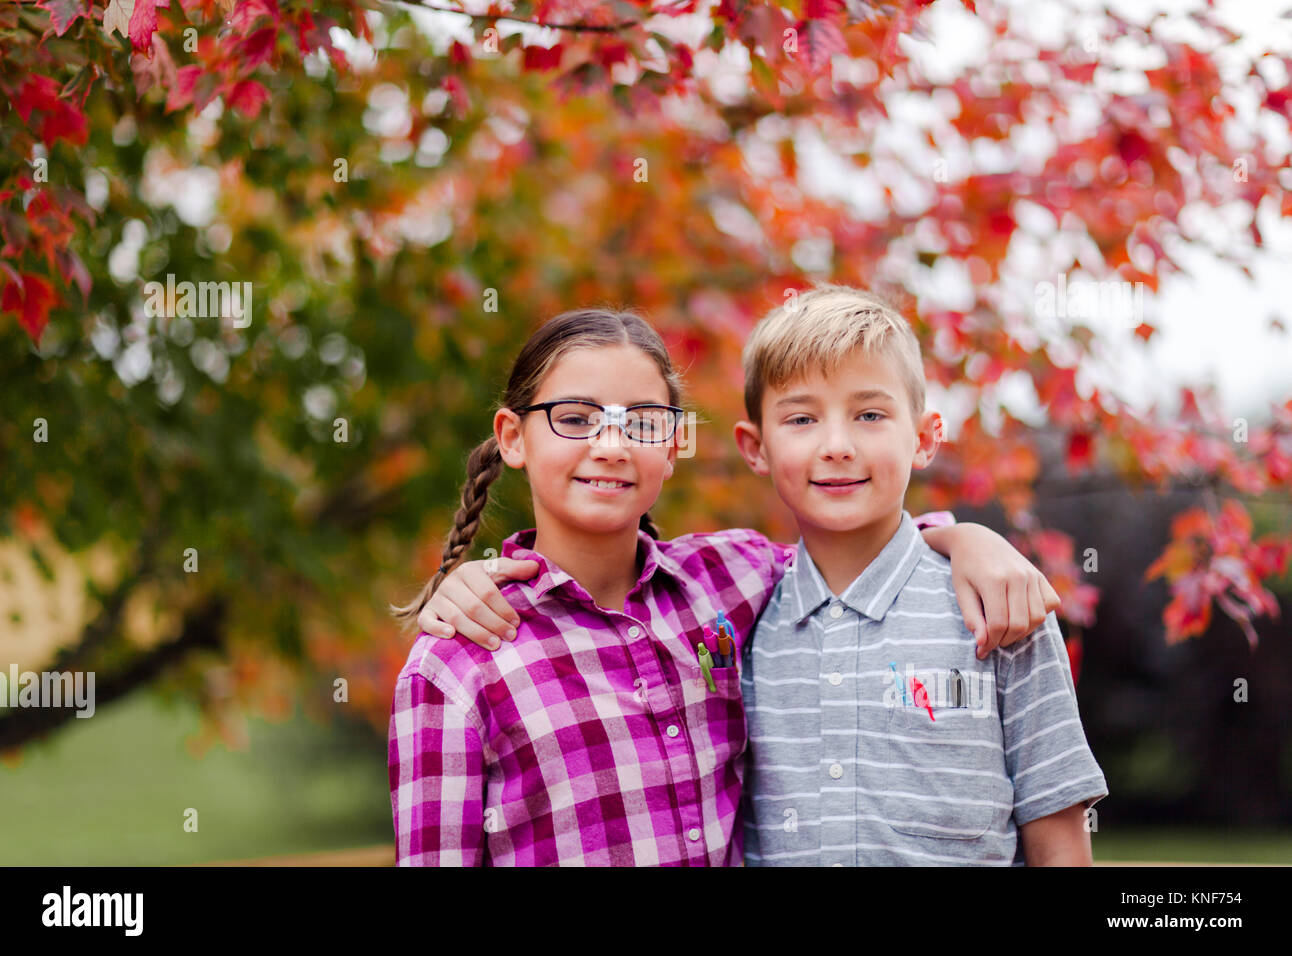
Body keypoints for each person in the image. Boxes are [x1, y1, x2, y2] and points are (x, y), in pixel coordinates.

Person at [394, 307, 1058, 866]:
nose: (611, 445)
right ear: (513, 437)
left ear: (675, 443)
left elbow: (856, 544)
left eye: (643, 422)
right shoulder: (460, 658)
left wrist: (966, 538)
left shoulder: (723, 583)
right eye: (575, 418)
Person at [731, 284, 1108, 865]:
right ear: (755, 448)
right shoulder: (740, 624)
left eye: (870, 414)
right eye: (802, 418)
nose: (836, 445)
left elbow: (1059, 842)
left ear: (926, 438)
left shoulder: (998, 609)